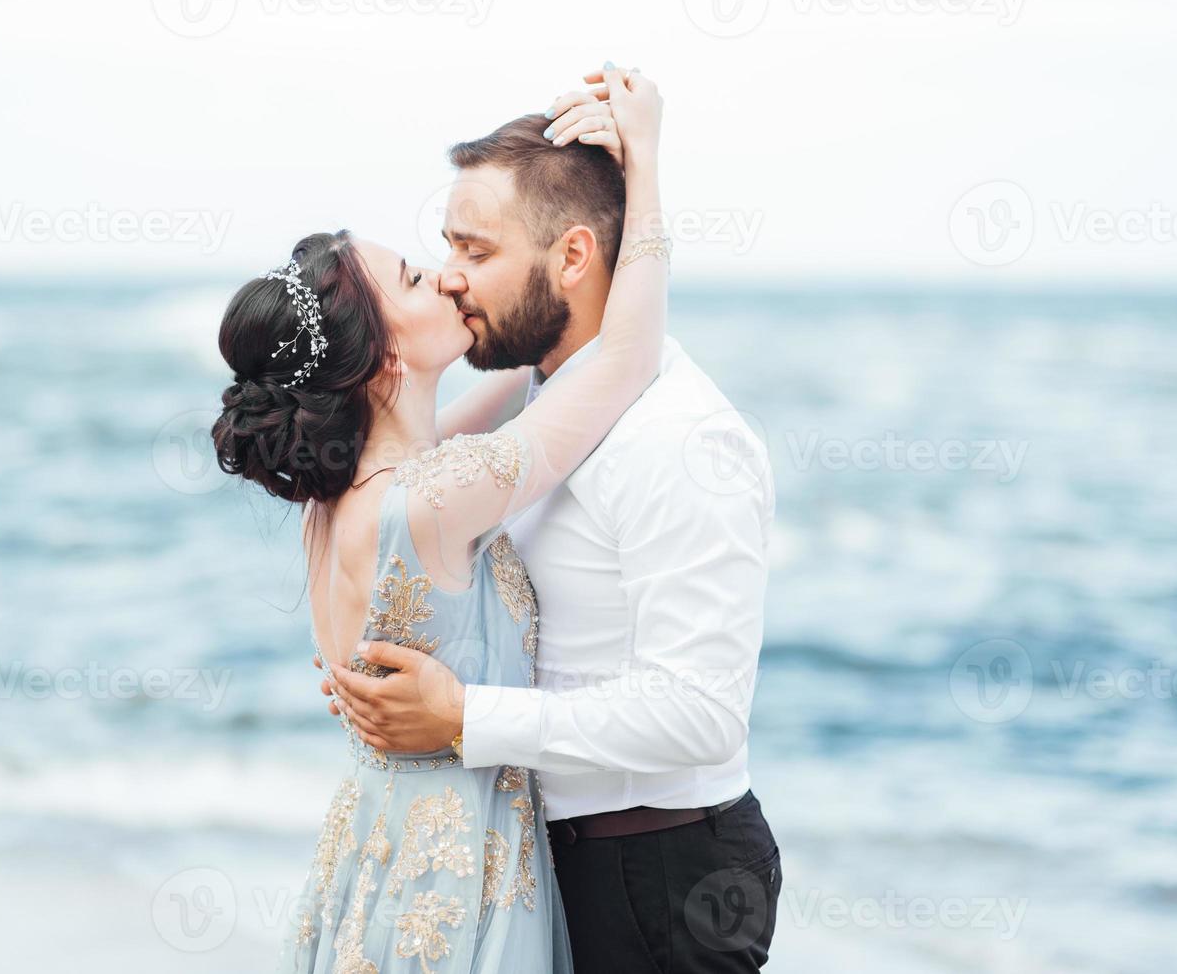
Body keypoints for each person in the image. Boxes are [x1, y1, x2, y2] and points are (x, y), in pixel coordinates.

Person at [324, 70, 781, 973]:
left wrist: (462, 715)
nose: (450, 276)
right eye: (441, 247)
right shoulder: (531, 411)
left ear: (572, 257)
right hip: (538, 865)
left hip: (656, 878)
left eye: (474, 249)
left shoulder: (679, 438)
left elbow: (702, 715)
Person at [213, 66, 666, 972]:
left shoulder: (351, 490)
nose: (452, 279)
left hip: (374, 850)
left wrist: (533, 296)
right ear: (386, 358)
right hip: (459, 874)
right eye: (420, 276)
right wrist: (647, 160)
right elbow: (626, 362)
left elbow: (523, 386)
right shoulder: (434, 496)